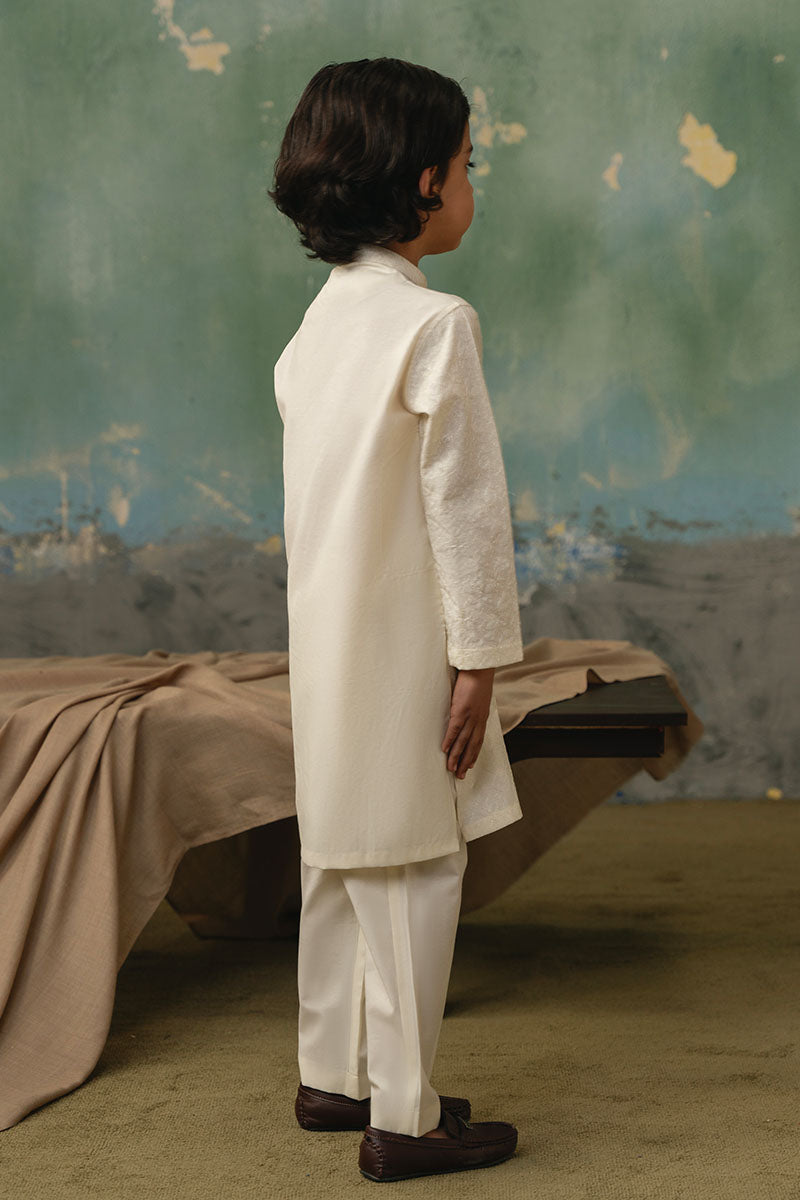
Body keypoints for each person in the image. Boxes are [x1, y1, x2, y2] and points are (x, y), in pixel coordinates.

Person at [269, 57, 524, 1183]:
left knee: (339, 859)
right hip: (404, 648)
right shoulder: (434, 325)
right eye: (467, 164)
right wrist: (480, 659)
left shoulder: (316, 327)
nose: (472, 183)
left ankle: (333, 1075)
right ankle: (405, 1117)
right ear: (424, 181)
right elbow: (464, 510)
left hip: (325, 648)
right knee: (417, 869)